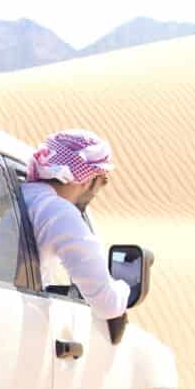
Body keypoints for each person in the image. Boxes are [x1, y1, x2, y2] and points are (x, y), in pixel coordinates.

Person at [22, 129, 131, 322]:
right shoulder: (58, 212)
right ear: (88, 178)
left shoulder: (22, 194)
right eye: (103, 180)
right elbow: (108, 305)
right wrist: (125, 287)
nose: (99, 190)